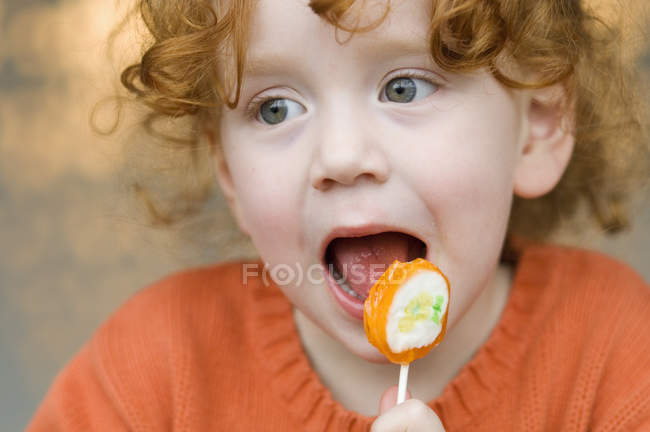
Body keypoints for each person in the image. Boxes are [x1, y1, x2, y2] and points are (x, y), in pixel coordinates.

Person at [28, 0, 649, 430]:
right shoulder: (150, 370)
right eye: (275, 110)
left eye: (403, 87)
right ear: (229, 174)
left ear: (536, 128)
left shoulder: (619, 353)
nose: (341, 156)